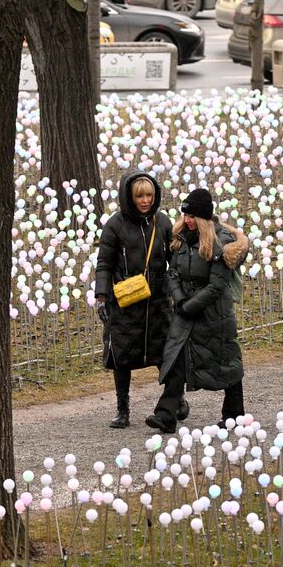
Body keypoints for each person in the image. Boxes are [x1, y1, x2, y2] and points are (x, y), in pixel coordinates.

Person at [147, 188, 249, 433]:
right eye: (185, 215)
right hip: (186, 311)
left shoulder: (221, 242)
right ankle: (166, 414)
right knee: (176, 359)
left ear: (202, 218)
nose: (187, 220)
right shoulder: (181, 238)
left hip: (214, 316)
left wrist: (190, 306)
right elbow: (172, 273)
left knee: (225, 363)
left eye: (192, 216)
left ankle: (234, 415)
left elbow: (217, 285)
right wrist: (181, 301)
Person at [93, 169, 187, 428]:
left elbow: (175, 261)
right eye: (139, 196)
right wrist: (101, 295)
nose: (145, 200)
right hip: (124, 302)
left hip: (157, 301)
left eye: (149, 195)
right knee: (121, 356)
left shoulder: (163, 222)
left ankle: (174, 398)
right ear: (129, 197)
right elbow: (104, 263)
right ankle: (122, 409)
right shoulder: (115, 225)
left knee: (164, 353)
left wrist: (179, 292)